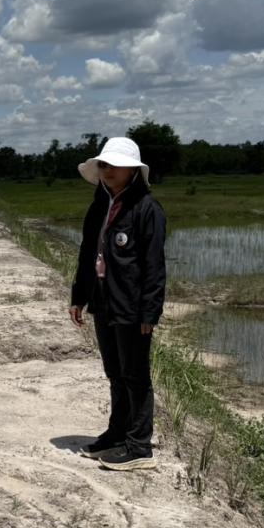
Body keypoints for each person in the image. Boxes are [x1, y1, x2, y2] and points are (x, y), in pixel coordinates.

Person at [67, 136, 166, 471]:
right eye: (105, 165)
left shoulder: (146, 209)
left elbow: (154, 266)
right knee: (115, 372)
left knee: (135, 375)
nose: (108, 170)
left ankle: (139, 447)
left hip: (132, 306)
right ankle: (117, 433)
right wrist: (79, 296)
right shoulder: (100, 205)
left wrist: (150, 311)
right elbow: (86, 253)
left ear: (133, 171)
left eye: (116, 165)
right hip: (103, 301)